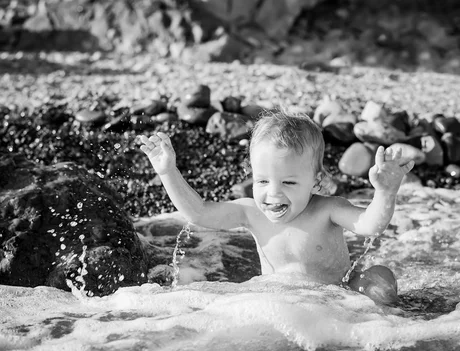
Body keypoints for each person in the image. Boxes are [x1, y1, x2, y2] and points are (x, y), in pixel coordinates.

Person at [139, 109, 414, 305]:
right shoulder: (251, 212)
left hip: (339, 300)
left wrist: (385, 191)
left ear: (316, 183)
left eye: (289, 182)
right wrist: (167, 172)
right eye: (262, 181)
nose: (273, 194)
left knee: (380, 280)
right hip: (280, 302)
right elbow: (198, 212)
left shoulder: (328, 209)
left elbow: (371, 225)